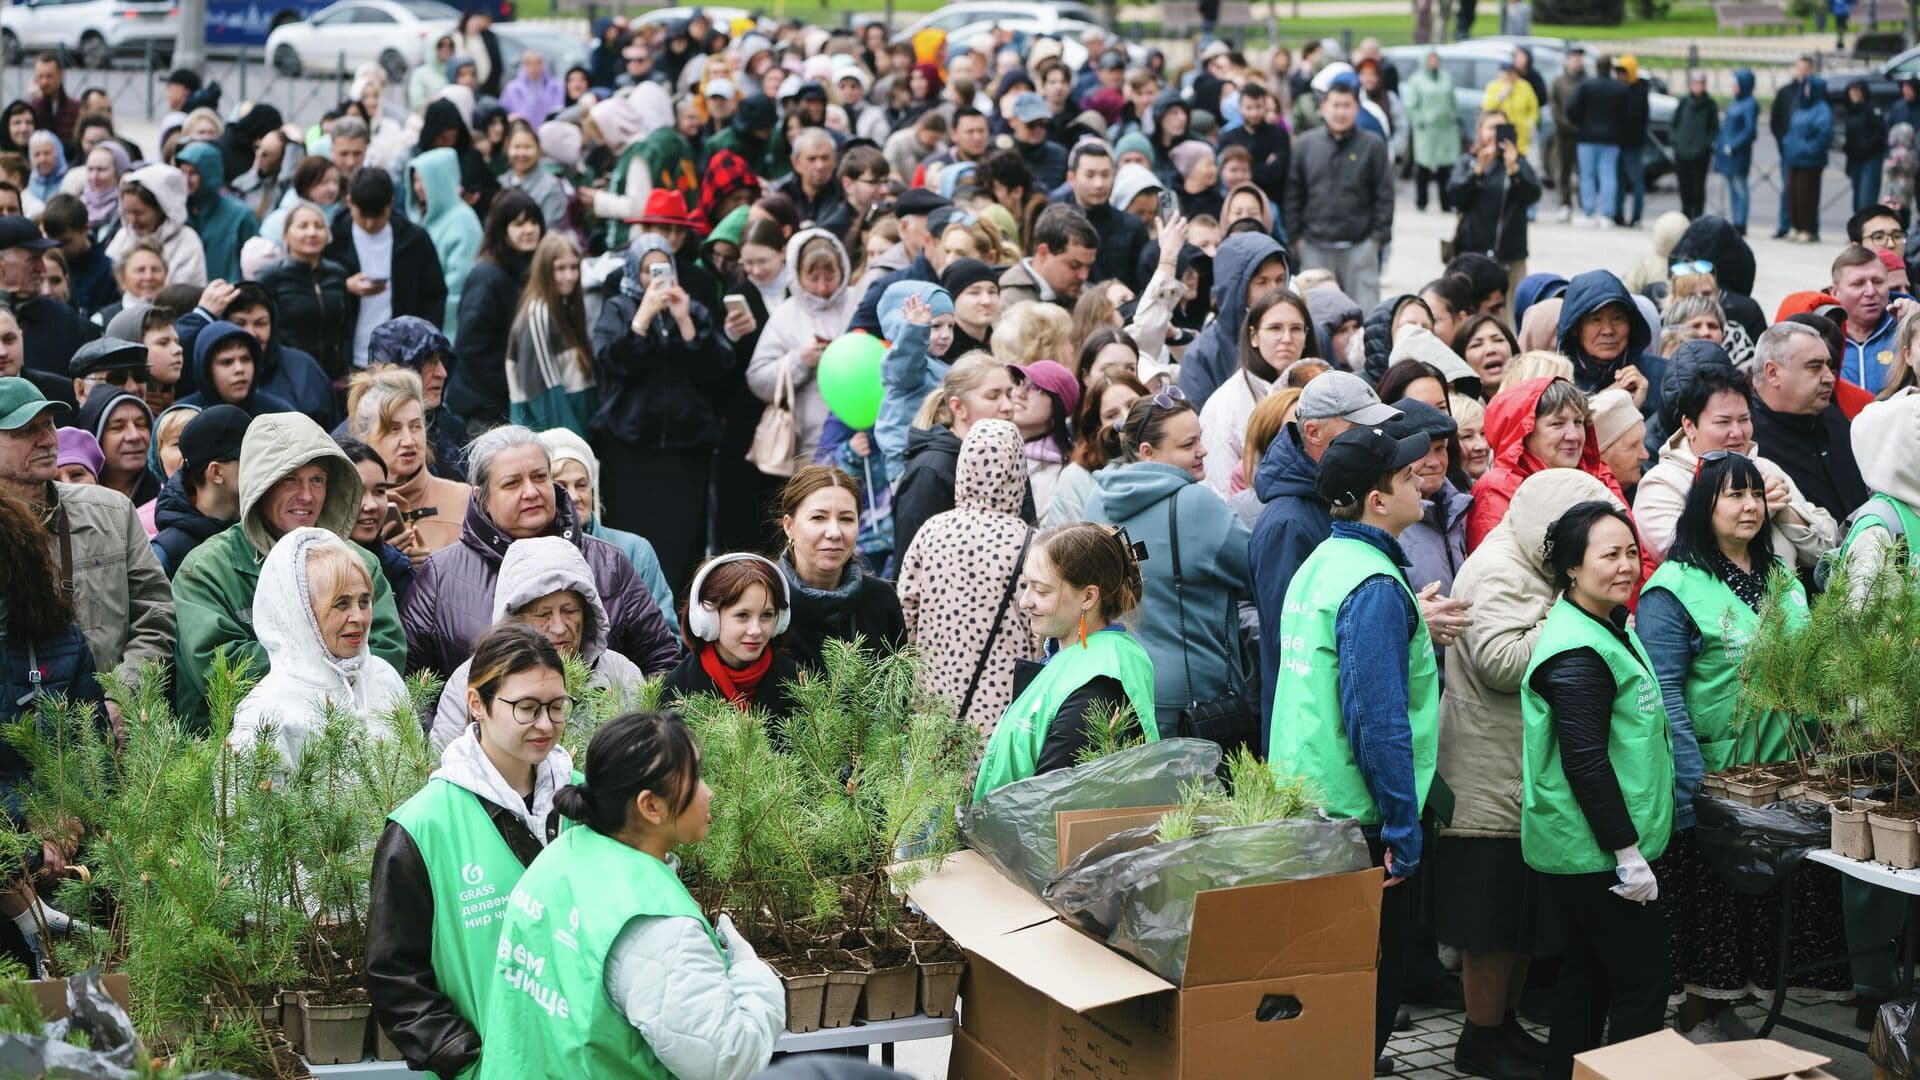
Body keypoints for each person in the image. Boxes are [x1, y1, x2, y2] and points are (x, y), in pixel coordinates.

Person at [1637, 451, 1833, 1043]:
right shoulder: (1674, 586)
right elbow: (1665, 690)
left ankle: (1734, 1013)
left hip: (1782, 775)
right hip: (1716, 778)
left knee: (1759, 909)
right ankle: (1696, 1019)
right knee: (1710, 909)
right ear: (1705, 505)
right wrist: (1693, 784)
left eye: (1755, 495)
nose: (1749, 507)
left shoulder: (1779, 574)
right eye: (1733, 495)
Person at [474, 710, 784, 1080]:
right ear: (650, 806)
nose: (709, 792)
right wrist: (752, 974)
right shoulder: (657, 927)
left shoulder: (562, 854)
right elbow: (728, 1059)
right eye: (696, 777)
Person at [1437, 471, 1625, 1078]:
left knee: (1515, 918)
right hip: (1489, 773)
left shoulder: (1526, 563)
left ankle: (1501, 1030)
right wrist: (1573, 616)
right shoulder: (1499, 569)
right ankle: (1481, 1038)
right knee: (1490, 924)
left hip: (1517, 772)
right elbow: (1498, 662)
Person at [1269, 425, 1440, 1074]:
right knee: (1369, 980)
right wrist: (1401, 822)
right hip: (1356, 815)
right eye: (1408, 475)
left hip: (1304, 800)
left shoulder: (1323, 564)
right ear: (1377, 498)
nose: (1423, 478)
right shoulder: (1371, 585)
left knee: (1324, 977)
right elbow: (1377, 720)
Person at [372, 622, 576, 1079]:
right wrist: (463, 1056)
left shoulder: (590, 803)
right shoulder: (422, 826)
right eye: (526, 708)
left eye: (557, 707)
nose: (545, 724)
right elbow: (395, 976)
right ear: (477, 704)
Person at [1522, 500, 1674, 1078]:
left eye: (1631, 552)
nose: (1626, 566)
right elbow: (1585, 761)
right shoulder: (1580, 652)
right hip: (1596, 851)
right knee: (1640, 983)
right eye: (1608, 555)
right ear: (1570, 568)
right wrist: (1627, 855)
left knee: (1587, 976)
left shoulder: (1605, 624)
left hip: (1591, 846)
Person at [170, 412, 400, 731]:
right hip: (234, 759)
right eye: (289, 479)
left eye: (317, 480)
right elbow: (222, 672)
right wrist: (330, 654)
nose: (306, 495)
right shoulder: (206, 571)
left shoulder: (359, 562)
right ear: (259, 484)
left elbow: (388, 652)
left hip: (352, 748)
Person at [400, 425, 679, 680]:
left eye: (539, 477)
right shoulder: (441, 576)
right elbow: (412, 687)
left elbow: (661, 661)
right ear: (481, 498)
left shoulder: (609, 563)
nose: (531, 492)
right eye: (512, 483)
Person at [0, 378, 172, 724]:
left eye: (48, 424)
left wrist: (122, 697)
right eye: (26, 430)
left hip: (113, 736)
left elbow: (156, 614)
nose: (48, 439)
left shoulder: (112, 511)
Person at [1086, 386, 1253, 740]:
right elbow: (1262, 575)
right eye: (1188, 445)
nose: (1203, 450)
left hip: (1116, 694)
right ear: (1147, 452)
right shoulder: (1199, 506)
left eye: (1200, 439)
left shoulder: (1096, 503)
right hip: (1197, 704)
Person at [1251, 373, 1404, 727]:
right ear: (1313, 433)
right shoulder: (1287, 523)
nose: (1372, 438)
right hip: (1316, 736)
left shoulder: (1337, 494)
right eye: (1358, 427)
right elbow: (1298, 648)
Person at [972, 523, 1159, 797]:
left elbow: (1050, 807)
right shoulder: (1072, 659)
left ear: (1087, 596)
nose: (1024, 602)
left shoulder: (1098, 687)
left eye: (1042, 591)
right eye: (1027, 585)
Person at [590, 237, 728, 592]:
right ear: (635, 272)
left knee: (683, 544)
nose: (656, 279)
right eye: (648, 270)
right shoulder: (618, 308)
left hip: (686, 449)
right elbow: (611, 365)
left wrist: (685, 323)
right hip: (631, 447)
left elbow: (716, 372)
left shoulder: (693, 310)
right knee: (634, 539)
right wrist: (642, 319)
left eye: (662, 268)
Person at [432, 536, 645, 749]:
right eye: (543, 614)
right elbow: (444, 766)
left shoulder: (621, 674)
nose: (559, 627)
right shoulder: (471, 680)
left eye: (569, 611)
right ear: (514, 619)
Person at [896, 419, 1041, 732]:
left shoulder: (932, 531)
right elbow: (1038, 624)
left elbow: (906, 608)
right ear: (1017, 470)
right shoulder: (1028, 541)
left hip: (933, 698)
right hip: (1003, 702)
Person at [1634, 351, 1835, 569]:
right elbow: (1680, 557)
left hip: (1786, 600)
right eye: (1723, 422)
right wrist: (1756, 513)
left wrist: (1785, 513)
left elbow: (1829, 548)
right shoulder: (1663, 483)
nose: (1737, 433)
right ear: (1689, 425)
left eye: (1744, 419)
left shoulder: (1765, 469)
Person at [228, 527, 409, 768]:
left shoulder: (385, 678)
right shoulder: (266, 711)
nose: (359, 617)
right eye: (341, 604)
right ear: (302, 613)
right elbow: (248, 803)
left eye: (364, 601)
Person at [892, 352, 1031, 565]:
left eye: (1009, 394)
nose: (1007, 406)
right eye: (993, 396)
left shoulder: (1010, 459)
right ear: (958, 407)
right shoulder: (931, 470)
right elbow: (909, 563)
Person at [537, 428, 677, 638]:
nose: (574, 496)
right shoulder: (528, 550)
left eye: (582, 485)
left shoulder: (634, 550)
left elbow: (666, 638)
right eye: (562, 486)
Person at [1466, 376, 1632, 552]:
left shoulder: (1598, 476)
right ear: (1524, 433)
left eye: (1578, 422)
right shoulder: (1498, 488)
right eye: (1557, 424)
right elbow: (1497, 568)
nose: (1573, 435)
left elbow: (1636, 553)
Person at [772, 465, 906, 671]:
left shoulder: (880, 600)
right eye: (818, 518)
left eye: (846, 519)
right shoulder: (765, 598)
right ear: (789, 526)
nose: (834, 532)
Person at [748, 227, 857, 465]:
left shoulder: (858, 302)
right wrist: (800, 361)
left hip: (859, 434)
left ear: (843, 270)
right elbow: (757, 379)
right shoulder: (785, 315)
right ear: (797, 274)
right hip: (808, 441)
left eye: (829, 277)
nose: (821, 287)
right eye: (812, 278)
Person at [1285, 77, 1392, 311]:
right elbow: (1294, 192)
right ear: (1323, 108)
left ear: (1356, 108)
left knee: (1365, 312)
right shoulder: (1306, 145)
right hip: (1314, 245)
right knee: (1316, 315)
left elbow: (1384, 194)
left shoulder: (1372, 145)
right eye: (1335, 105)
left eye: (1347, 105)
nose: (1340, 112)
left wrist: (1377, 239)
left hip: (1360, 245)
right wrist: (1297, 238)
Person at [327, 168, 449, 370]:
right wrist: (344, 286)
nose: (370, 223)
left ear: (391, 202)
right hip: (346, 358)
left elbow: (434, 295)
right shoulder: (333, 238)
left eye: (378, 215)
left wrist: (423, 346)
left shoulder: (413, 239)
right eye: (363, 215)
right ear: (349, 202)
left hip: (402, 360)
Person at [1748, 321, 1869, 523]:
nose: (1829, 378)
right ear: (1772, 373)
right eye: (1814, 367)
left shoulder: (1835, 420)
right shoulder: (1746, 439)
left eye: (1829, 366)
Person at [1200, 289, 1316, 498]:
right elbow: (1221, 491)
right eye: (1275, 328)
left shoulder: (1322, 387)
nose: (1287, 338)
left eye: (1296, 328)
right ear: (1253, 336)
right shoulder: (1225, 404)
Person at [346, 366, 471, 559]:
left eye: (415, 426)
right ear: (365, 438)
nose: (409, 441)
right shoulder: (347, 509)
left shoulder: (464, 499)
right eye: (394, 429)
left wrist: (431, 572)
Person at [658, 553, 802, 717]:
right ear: (708, 618)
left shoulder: (798, 683)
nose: (756, 630)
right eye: (742, 615)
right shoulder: (676, 690)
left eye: (766, 615)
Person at [449, 190, 544, 430]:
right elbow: (471, 347)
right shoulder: (487, 276)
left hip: (508, 399)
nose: (529, 229)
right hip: (484, 407)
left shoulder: (527, 269)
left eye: (534, 222)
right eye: (519, 223)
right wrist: (513, 381)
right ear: (502, 229)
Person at [1177, 231, 1291, 409]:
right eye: (1262, 282)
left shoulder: (1306, 333)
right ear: (1237, 288)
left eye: (1280, 279)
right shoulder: (1202, 355)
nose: (1274, 290)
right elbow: (1197, 427)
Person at [254, 202, 352, 380]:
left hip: (334, 377)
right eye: (303, 226)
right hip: (288, 374)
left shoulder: (337, 273)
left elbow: (345, 328)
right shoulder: (270, 276)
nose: (312, 232)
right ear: (286, 235)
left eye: (319, 226)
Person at [1449, 110, 1540, 295]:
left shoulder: (1517, 162)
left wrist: (1514, 169)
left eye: (1501, 128)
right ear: (1480, 130)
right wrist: (1477, 171)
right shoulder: (1469, 162)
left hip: (1508, 256)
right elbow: (1453, 197)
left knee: (1508, 315)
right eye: (1491, 127)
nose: (1495, 133)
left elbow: (1532, 195)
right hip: (1470, 254)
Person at [149, 403, 245, 576]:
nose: (259, 464)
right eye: (247, 457)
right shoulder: (164, 553)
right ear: (216, 472)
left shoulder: (259, 530)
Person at [108, 164, 206, 287]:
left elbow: (187, 293)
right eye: (128, 212)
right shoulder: (123, 237)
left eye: (139, 213)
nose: (133, 220)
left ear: (161, 209)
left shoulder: (187, 240)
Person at [176, 140, 258, 285]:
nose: (186, 179)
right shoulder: (176, 211)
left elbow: (255, 262)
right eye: (182, 172)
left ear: (209, 173)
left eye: (193, 173)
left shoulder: (240, 215)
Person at [1832, 245, 1905, 395]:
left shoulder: (1907, 330)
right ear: (1835, 292)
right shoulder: (1822, 339)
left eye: (1878, 281)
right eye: (1858, 284)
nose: (1871, 291)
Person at [996, 204, 1097, 311]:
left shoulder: (1089, 300)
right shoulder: (1008, 301)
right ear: (1043, 253)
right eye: (1074, 265)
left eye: (1088, 267)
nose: (1084, 276)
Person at [1566, 56, 1626, 230]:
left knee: (1587, 176)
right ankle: (1607, 214)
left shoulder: (1586, 86)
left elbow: (1572, 109)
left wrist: (1580, 123)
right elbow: (1626, 113)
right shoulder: (1619, 89)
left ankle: (1589, 212)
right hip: (1611, 138)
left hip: (1587, 137)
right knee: (1608, 176)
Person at [1406, 51, 1459, 214]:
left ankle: (1446, 202)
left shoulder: (1446, 77)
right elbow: (1411, 105)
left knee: (1446, 167)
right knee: (1423, 166)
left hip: (1446, 128)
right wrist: (1420, 120)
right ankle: (1422, 201)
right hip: (1427, 129)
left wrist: (1453, 116)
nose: (1434, 62)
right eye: (1431, 58)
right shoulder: (1416, 80)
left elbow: (1452, 99)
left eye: (1436, 59)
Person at [1782, 75, 1832, 244]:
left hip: (1810, 161)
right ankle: (1795, 226)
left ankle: (1807, 228)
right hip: (1794, 158)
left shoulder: (1822, 109)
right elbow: (1791, 131)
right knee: (1793, 195)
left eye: (1809, 87)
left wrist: (1808, 149)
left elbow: (1824, 134)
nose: (1806, 91)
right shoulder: (1800, 108)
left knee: (1807, 196)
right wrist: (1787, 145)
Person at [1714, 70, 1759, 235]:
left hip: (1738, 154)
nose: (1733, 87)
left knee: (1740, 188)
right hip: (1728, 154)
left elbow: (1749, 130)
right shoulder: (1735, 102)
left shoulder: (1749, 104)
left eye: (1735, 83)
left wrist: (1733, 145)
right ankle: (1735, 220)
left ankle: (1741, 222)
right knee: (1733, 188)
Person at [1670, 73, 1719, 220]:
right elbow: (1675, 124)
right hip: (1682, 151)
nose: (1697, 87)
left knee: (1698, 187)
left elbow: (1713, 128)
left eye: (1700, 84)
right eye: (1695, 83)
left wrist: (1705, 145)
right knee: (1684, 186)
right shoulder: (1684, 102)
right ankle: (1685, 214)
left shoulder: (1710, 104)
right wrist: (1676, 142)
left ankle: (1697, 216)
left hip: (1700, 153)